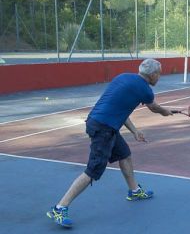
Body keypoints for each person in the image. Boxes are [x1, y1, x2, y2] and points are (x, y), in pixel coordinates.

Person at [46, 59, 172, 228]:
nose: (160, 77)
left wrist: (134, 131)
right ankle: (59, 207)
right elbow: (155, 108)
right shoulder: (145, 90)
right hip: (103, 128)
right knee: (93, 170)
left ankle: (134, 191)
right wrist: (166, 112)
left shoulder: (123, 78)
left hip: (99, 123)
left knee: (124, 155)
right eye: (159, 74)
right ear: (153, 74)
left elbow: (121, 109)